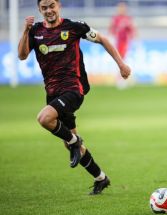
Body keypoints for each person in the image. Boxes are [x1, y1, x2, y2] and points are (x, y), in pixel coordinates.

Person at [18, 0, 131, 195]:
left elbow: (103, 39)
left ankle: (74, 141)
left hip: (74, 89)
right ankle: (100, 178)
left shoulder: (74, 27)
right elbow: (22, 56)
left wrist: (121, 64)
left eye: (51, 5)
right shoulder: (34, 31)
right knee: (70, 143)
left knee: (44, 118)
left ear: (58, 5)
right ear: (39, 9)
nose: (48, 10)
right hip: (53, 93)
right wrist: (24, 30)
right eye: (44, 8)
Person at [109, 2, 135, 89]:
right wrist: (111, 38)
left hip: (126, 43)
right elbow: (111, 29)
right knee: (120, 61)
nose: (122, 10)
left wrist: (134, 39)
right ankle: (120, 79)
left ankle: (126, 78)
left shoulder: (128, 19)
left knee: (125, 60)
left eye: (123, 8)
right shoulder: (115, 19)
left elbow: (132, 30)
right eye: (120, 8)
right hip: (117, 43)